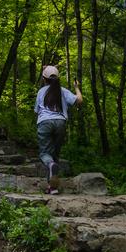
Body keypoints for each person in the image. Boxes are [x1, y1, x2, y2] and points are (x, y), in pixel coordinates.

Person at [34, 65, 83, 195]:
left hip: (44, 122)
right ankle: (53, 188)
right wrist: (76, 87)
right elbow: (79, 101)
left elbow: (37, 111)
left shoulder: (40, 92)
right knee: (55, 155)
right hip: (60, 122)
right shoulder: (63, 91)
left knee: (45, 154)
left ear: (44, 79)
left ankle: (51, 169)